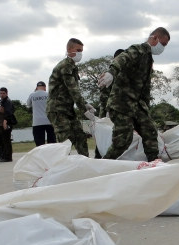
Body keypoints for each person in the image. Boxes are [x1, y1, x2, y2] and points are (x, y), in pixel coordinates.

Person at [98, 27, 170, 161]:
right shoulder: (138, 50)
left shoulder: (149, 59)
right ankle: (104, 163)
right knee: (123, 140)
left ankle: (153, 163)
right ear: (154, 38)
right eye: (163, 44)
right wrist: (111, 72)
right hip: (122, 103)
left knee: (150, 132)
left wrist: (146, 108)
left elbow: (145, 88)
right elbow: (123, 58)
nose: (163, 48)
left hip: (137, 104)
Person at [46, 38, 96, 157]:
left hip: (68, 110)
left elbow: (75, 91)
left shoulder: (73, 67)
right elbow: (73, 90)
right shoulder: (65, 66)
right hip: (57, 110)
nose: (80, 53)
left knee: (80, 136)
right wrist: (84, 110)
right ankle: (62, 168)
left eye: (81, 51)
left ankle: (84, 164)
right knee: (64, 142)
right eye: (78, 50)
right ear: (69, 49)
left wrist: (85, 104)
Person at [94, 48, 125, 159]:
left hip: (121, 111)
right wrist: (108, 110)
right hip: (108, 112)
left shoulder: (125, 74)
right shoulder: (108, 75)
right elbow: (103, 96)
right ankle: (99, 158)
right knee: (103, 136)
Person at [26, 81, 56, 147]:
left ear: (37, 87)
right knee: (52, 142)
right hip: (49, 121)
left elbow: (28, 104)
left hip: (37, 122)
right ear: (45, 87)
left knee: (39, 143)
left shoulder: (32, 95)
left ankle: (42, 156)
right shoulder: (48, 94)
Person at [0, 87, 14, 162]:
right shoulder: (1, 101)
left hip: (4, 124)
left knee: (6, 141)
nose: (2, 95)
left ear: (6, 93)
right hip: (0, 124)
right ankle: (3, 155)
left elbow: (8, 112)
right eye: (0, 93)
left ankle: (8, 157)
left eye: (3, 93)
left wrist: (5, 121)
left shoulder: (7, 101)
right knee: (1, 141)